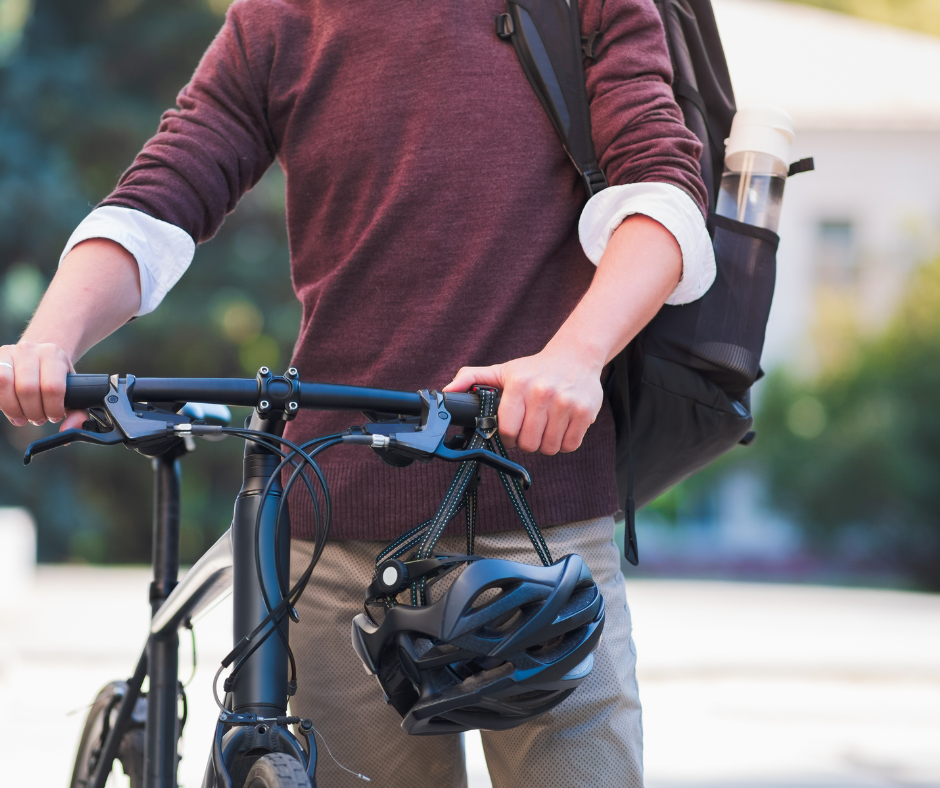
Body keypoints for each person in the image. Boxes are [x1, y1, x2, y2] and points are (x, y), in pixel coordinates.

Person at [0, 0, 714, 784]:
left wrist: (576, 357)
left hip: (538, 521)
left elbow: (662, 188)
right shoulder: (281, 19)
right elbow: (162, 195)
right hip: (336, 531)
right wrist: (52, 339)